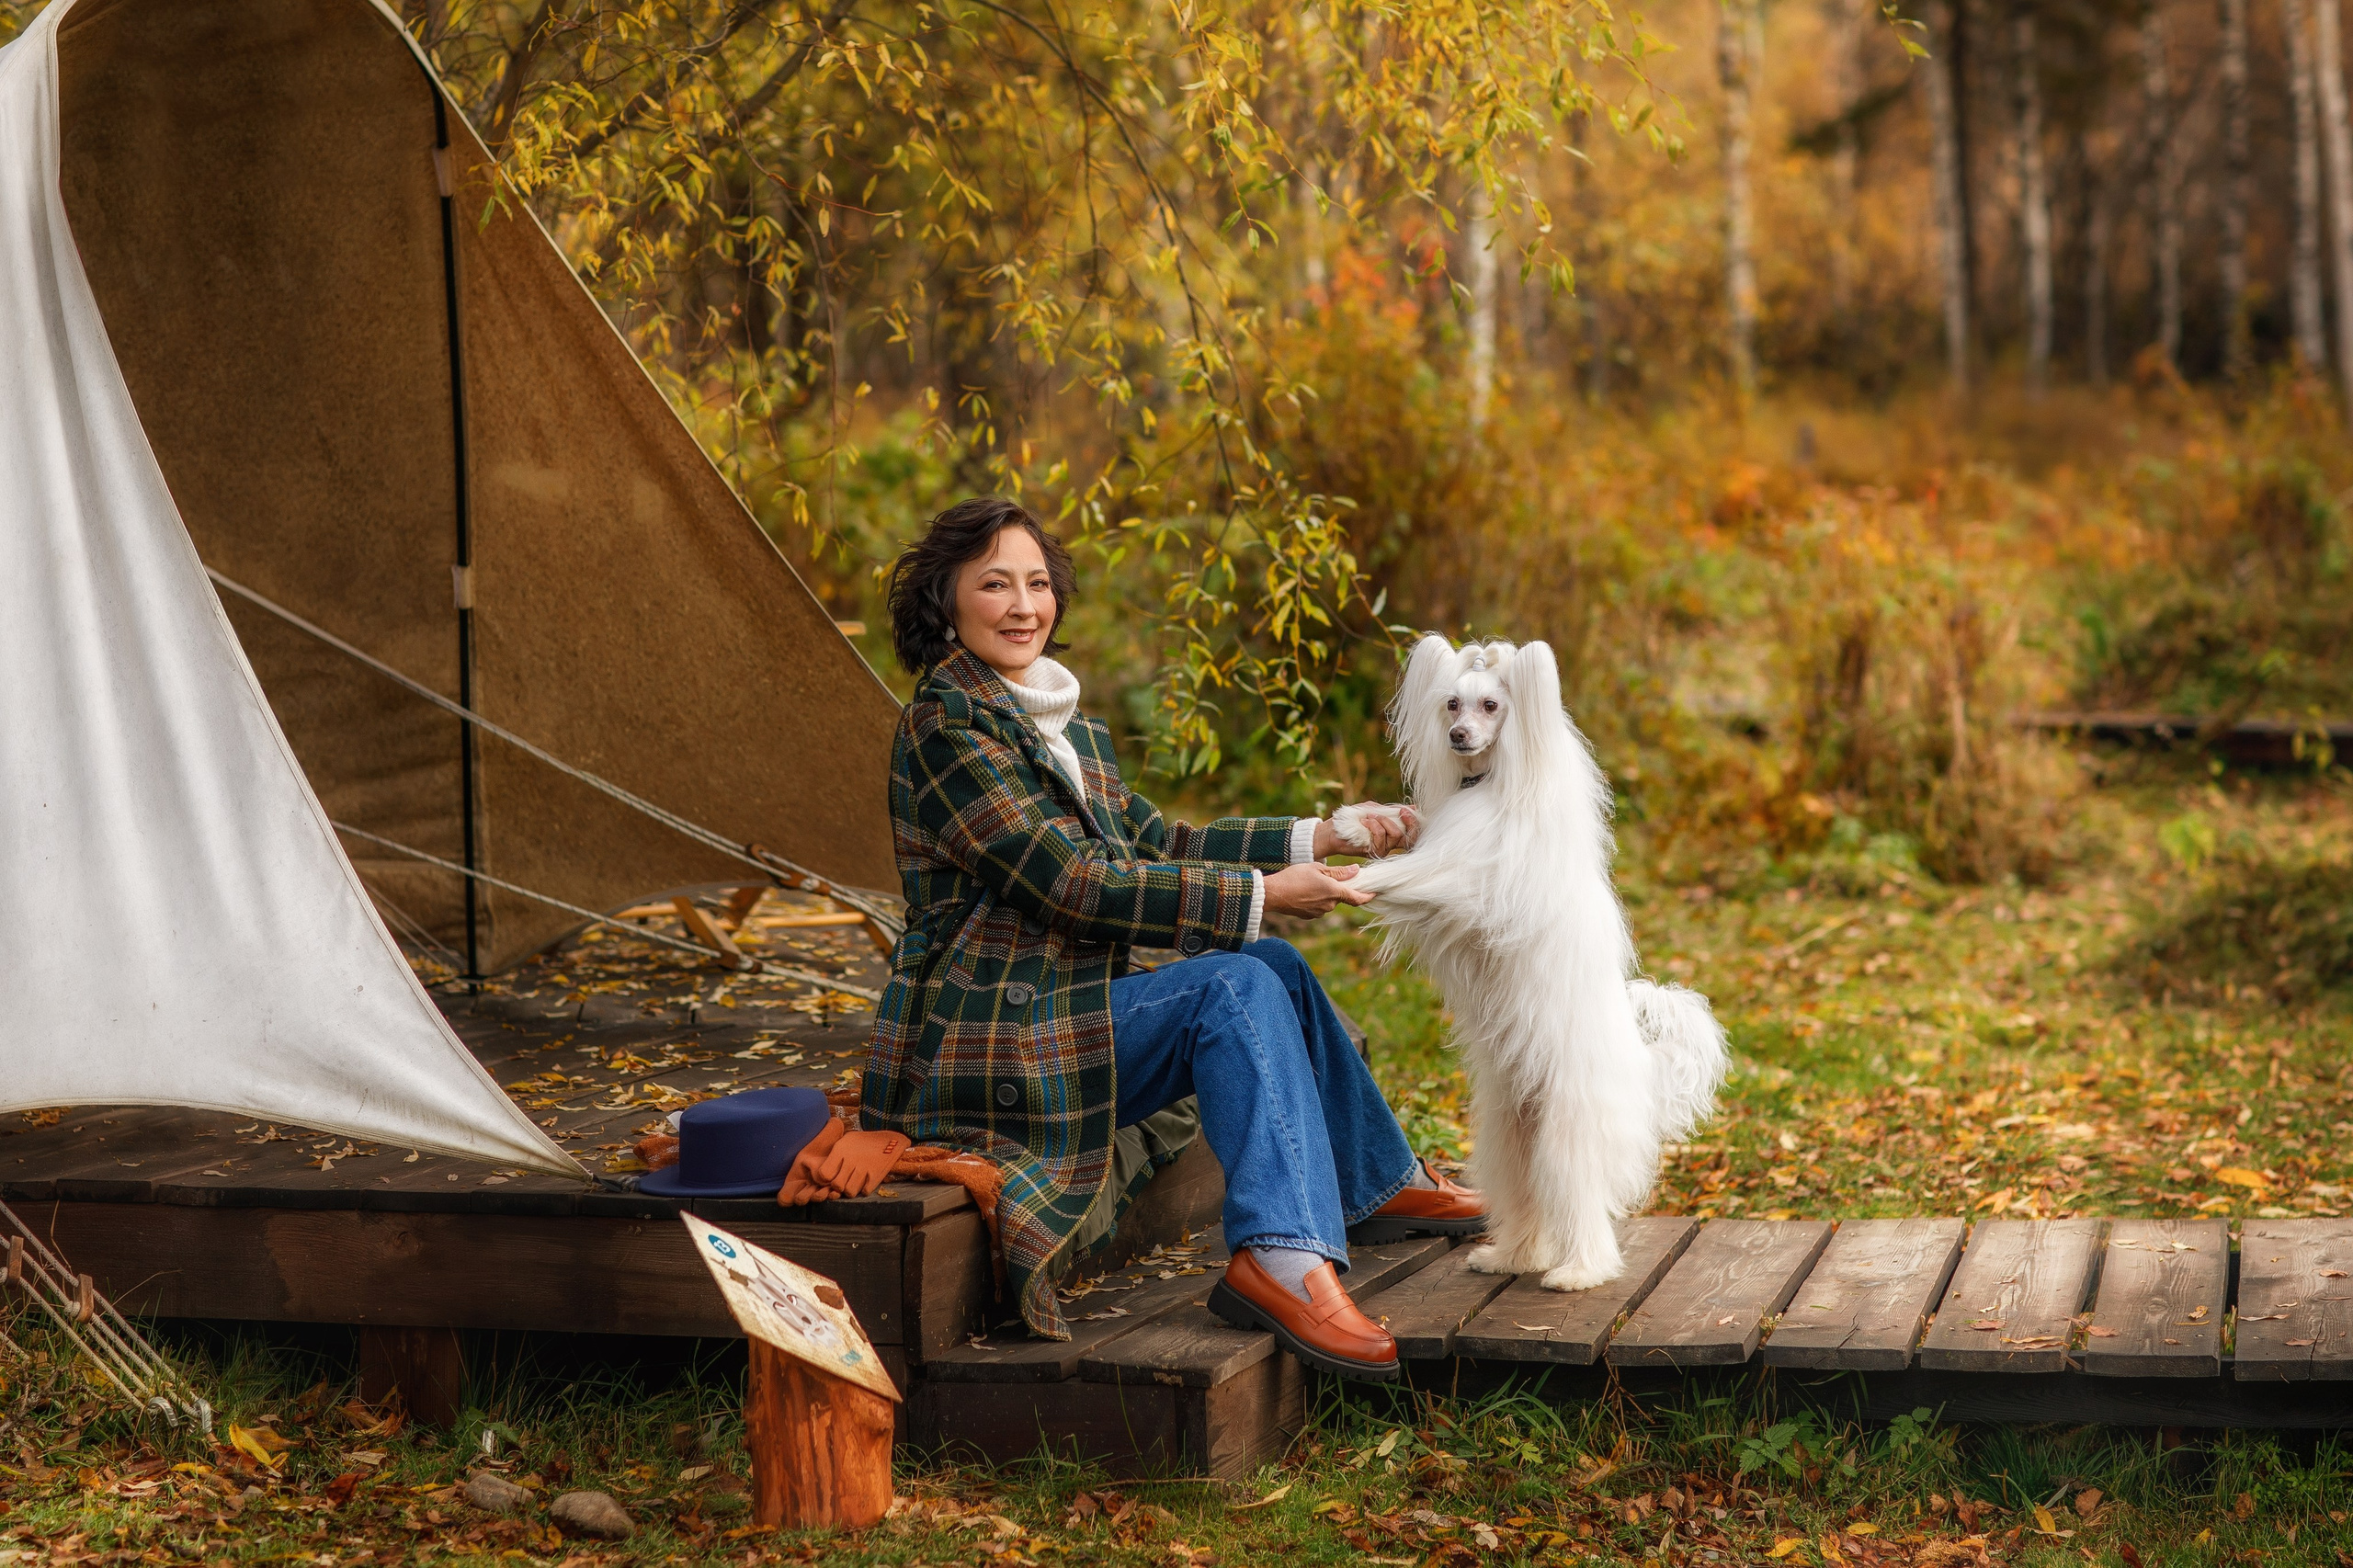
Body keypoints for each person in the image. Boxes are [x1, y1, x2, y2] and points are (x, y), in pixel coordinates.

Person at [862, 496, 1484, 1381]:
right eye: (994, 583)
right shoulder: (948, 728)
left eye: (1038, 583)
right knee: (1232, 987)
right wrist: (1261, 893)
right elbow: (1078, 887)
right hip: (982, 1043)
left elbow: (1161, 846)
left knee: (1267, 962)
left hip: (1059, 1021)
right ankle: (1280, 1255)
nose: (1023, 605)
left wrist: (1328, 834)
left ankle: (1376, 1181)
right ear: (946, 600)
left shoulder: (1057, 723)